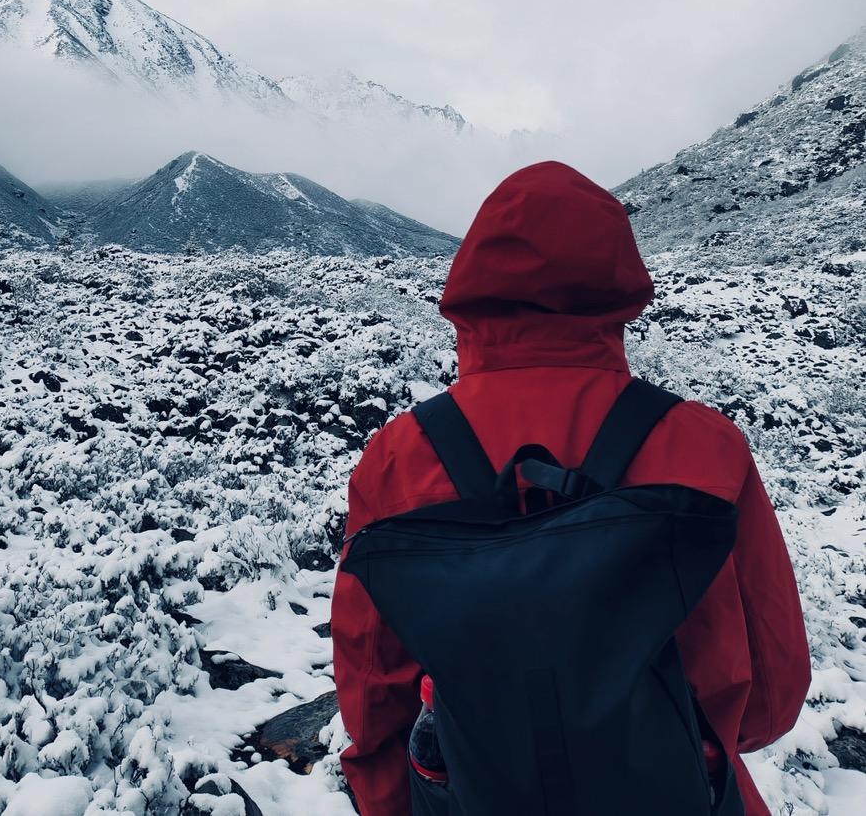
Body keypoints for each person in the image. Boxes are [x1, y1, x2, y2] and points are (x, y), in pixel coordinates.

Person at [331, 161, 810, 816]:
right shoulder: (704, 444)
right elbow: (772, 684)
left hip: (474, 790)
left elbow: (370, 680)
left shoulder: (396, 455)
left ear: (469, 285)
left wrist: (390, 799)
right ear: (617, 282)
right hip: (670, 787)